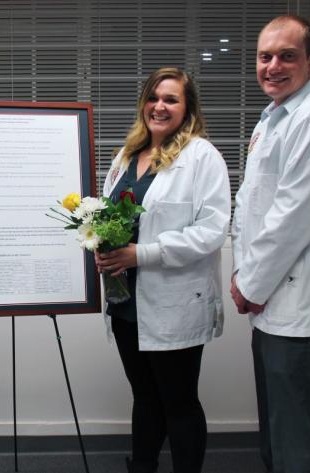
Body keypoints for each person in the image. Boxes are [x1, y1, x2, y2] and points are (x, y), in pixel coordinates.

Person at [231, 15, 310, 473]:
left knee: (298, 441)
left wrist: (249, 284)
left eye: (288, 55)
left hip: (302, 309)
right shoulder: (274, 119)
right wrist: (246, 275)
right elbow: (253, 205)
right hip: (273, 302)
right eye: (265, 56)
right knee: (278, 433)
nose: (273, 66)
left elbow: (296, 215)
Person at [96, 67, 231, 473]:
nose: (160, 106)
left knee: (179, 401)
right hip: (125, 303)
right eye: (154, 97)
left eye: (171, 99)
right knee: (144, 396)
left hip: (174, 302)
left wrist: (145, 254)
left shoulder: (202, 157)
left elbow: (211, 231)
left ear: (187, 108)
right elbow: (107, 217)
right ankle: (142, 465)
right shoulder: (126, 156)